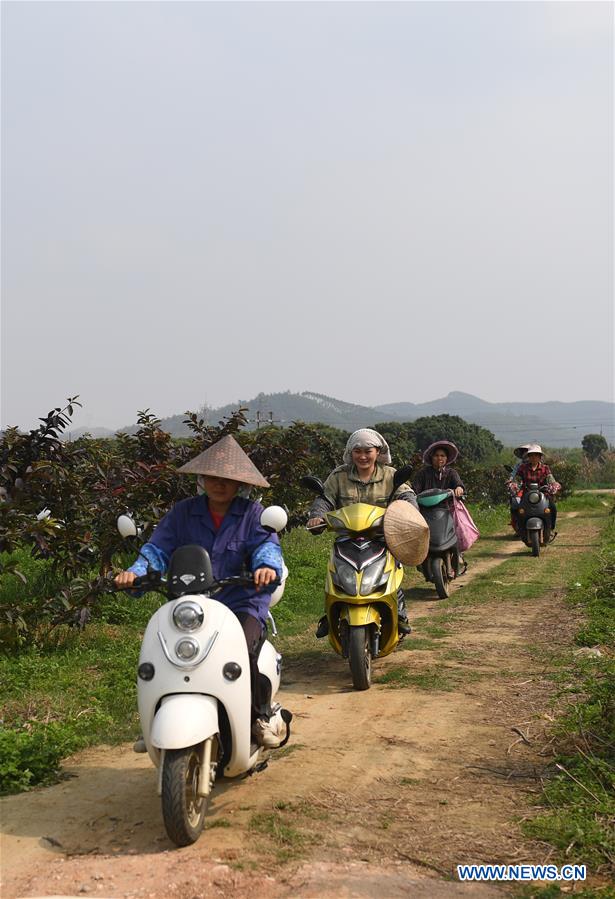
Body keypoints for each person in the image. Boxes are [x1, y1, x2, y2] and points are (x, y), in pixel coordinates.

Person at [114, 435, 288, 749]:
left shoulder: (252, 514)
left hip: (241, 602)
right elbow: (156, 550)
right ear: (201, 479)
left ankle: (256, 717)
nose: (218, 484)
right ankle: (157, 718)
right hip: (191, 605)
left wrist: (265, 569)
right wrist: (135, 573)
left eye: (227, 479)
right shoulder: (182, 513)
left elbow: (267, 547)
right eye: (212, 477)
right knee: (160, 654)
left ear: (240, 484)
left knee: (244, 653)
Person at [306, 428, 418, 637]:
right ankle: (329, 613)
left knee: (393, 573)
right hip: (346, 538)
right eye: (358, 451)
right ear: (350, 452)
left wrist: (409, 513)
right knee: (334, 573)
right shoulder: (339, 476)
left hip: (382, 538)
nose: (363, 456)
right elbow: (324, 499)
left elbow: (407, 496)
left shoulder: (391, 475)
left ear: (378, 451)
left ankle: (399, 614)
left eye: (368, 451)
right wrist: (317, 516)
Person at [412, 440, 467, 577]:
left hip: (446, 511)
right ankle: (421, 560)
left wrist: (459, 488)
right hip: (425, 513)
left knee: (457, 529)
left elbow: (458, 484)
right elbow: (414, 490)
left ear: (447, 458)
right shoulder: (423, 474)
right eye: (436, 455)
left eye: (442, 455)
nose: (439, 458)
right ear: (431, 457)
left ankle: (458, 554)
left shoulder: (451, 473)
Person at [509, 444, 560, 536]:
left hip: (543, 494)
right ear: (528, 457)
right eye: (531, 455)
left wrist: (554, 485)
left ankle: (550, 528)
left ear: (540, 457)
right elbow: (517, 479)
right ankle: (520, 529)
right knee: (519, 509)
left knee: (552, 507)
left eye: (536, 455)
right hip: (527, 494)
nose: (534, 457)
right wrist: (514, 485)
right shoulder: (522, 468)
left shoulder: (545, 468)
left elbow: (551, 480)